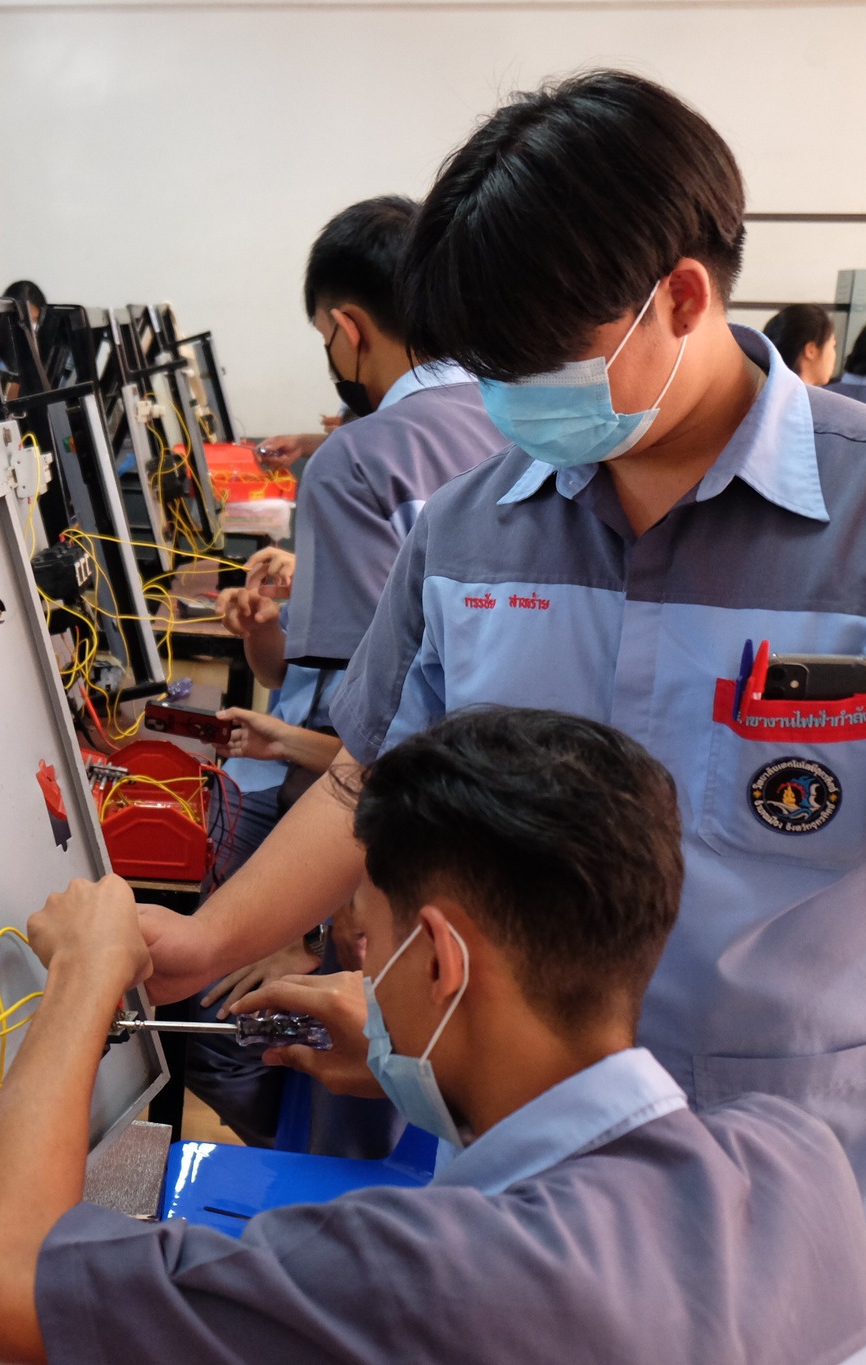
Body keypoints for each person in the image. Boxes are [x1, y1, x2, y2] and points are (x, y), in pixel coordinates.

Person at [121, 70, 866, 1363]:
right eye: (485, 368)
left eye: (533, 362)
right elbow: (364, 779)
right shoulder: (477, 524)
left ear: (684, 298)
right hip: (517, 1193)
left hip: (799, 1205)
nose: (507, 400)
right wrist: (203, 942)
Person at [0, 708, 866, 1365]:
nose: (355, 961)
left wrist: (80, 980)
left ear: (438, 959)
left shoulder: (433, 1274)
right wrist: (421, 1079)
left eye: (365, 937)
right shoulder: (799, 1165)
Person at [182, 196, 504, 1155]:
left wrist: (299, 924)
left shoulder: (355, 459)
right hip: (481, 844)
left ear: (344, 330)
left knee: (202, 1000)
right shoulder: (515, 431)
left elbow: (361, 738)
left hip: (368, 852)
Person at [762, 302, 838, 385]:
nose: (834, 354)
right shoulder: (810, 397)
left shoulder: (763, 392)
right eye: (833, 345)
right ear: (811, 350)